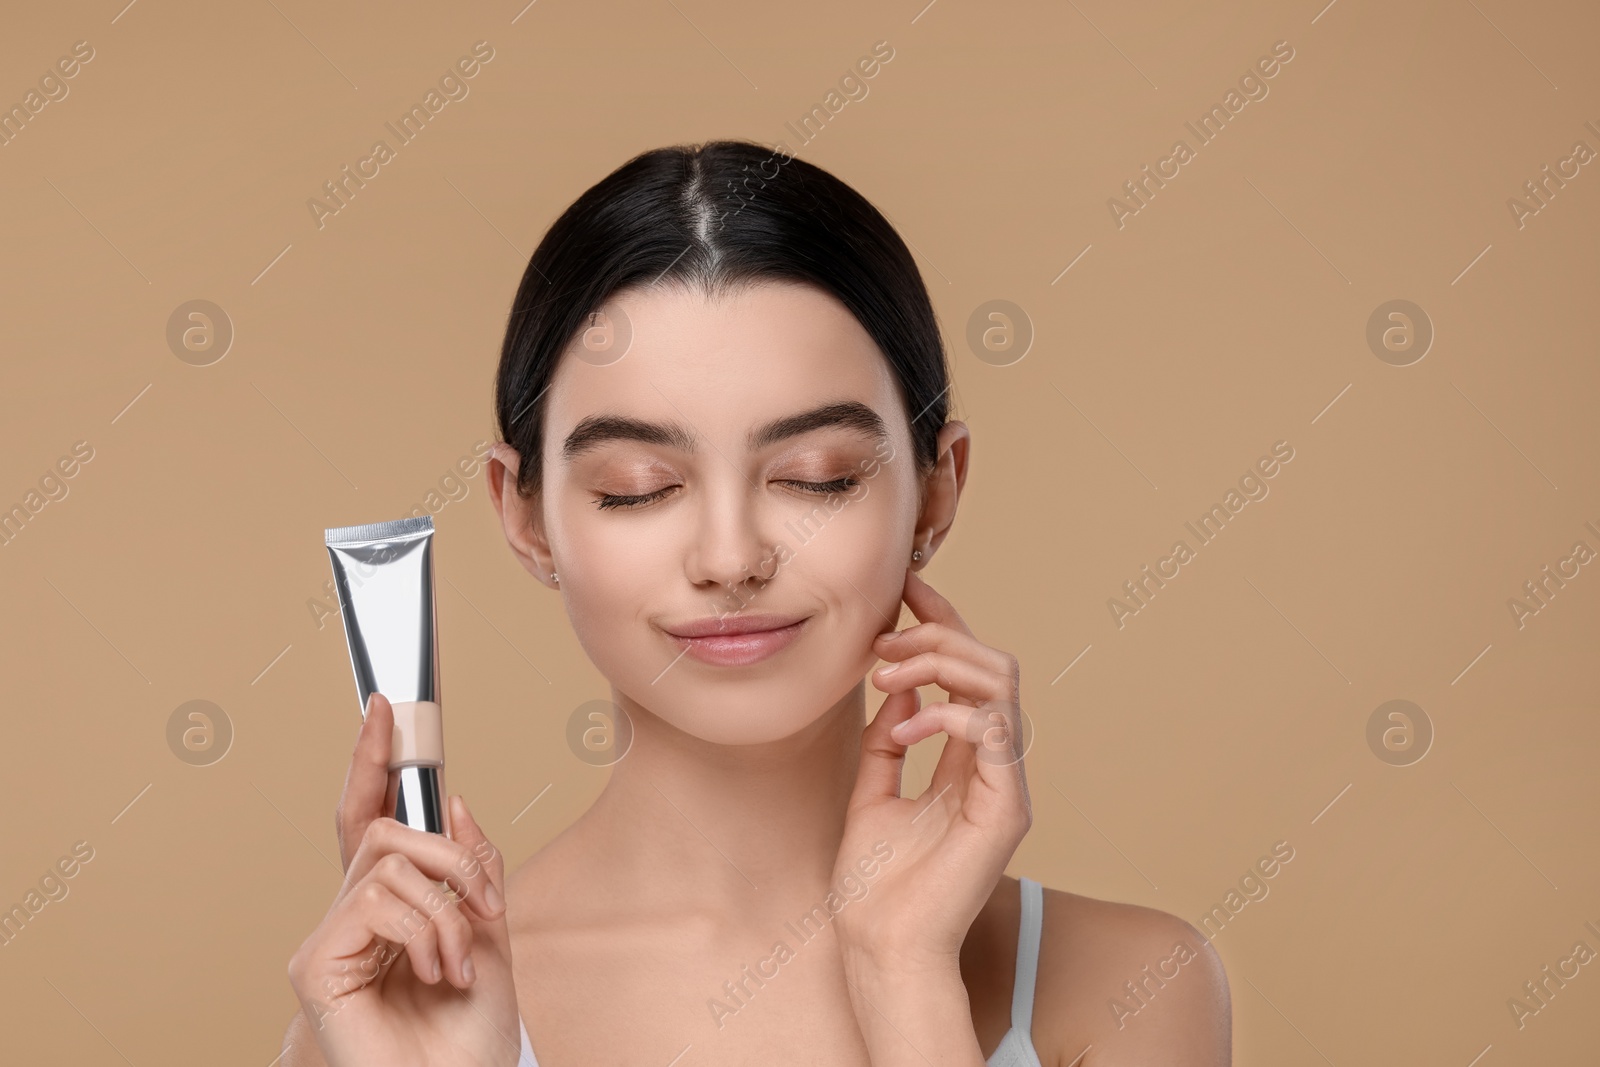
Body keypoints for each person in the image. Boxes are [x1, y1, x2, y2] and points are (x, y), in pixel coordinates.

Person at [281, 139, 1230, 1066]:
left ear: (937, 490)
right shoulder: (380, 1014)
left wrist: (902, 971)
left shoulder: (1130, 986)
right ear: (524, 517)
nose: (730, 559)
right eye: (639, 486)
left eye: (818, 477)